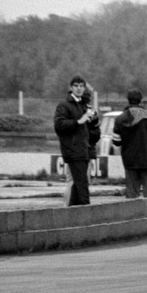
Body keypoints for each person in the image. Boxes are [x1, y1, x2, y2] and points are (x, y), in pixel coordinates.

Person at [53, 75, 99, 206]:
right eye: (76, 86)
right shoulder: (64, 105)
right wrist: (79, 121)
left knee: (79, 185)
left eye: (81, 86)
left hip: (85, 150)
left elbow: (94, 133)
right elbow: (59, 125)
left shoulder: (84, 106)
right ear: (71, 88)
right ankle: (83, 212)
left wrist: (94, 122)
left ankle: (74, 212)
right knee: (80, 184)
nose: (79, 88)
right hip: (73, 150)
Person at [113, 89, 147, 198]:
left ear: (128, 100)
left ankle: (132, 215)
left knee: (131, 197)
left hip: (130, 161)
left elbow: (116, 141)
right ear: (140, 100)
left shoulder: (120, 119)